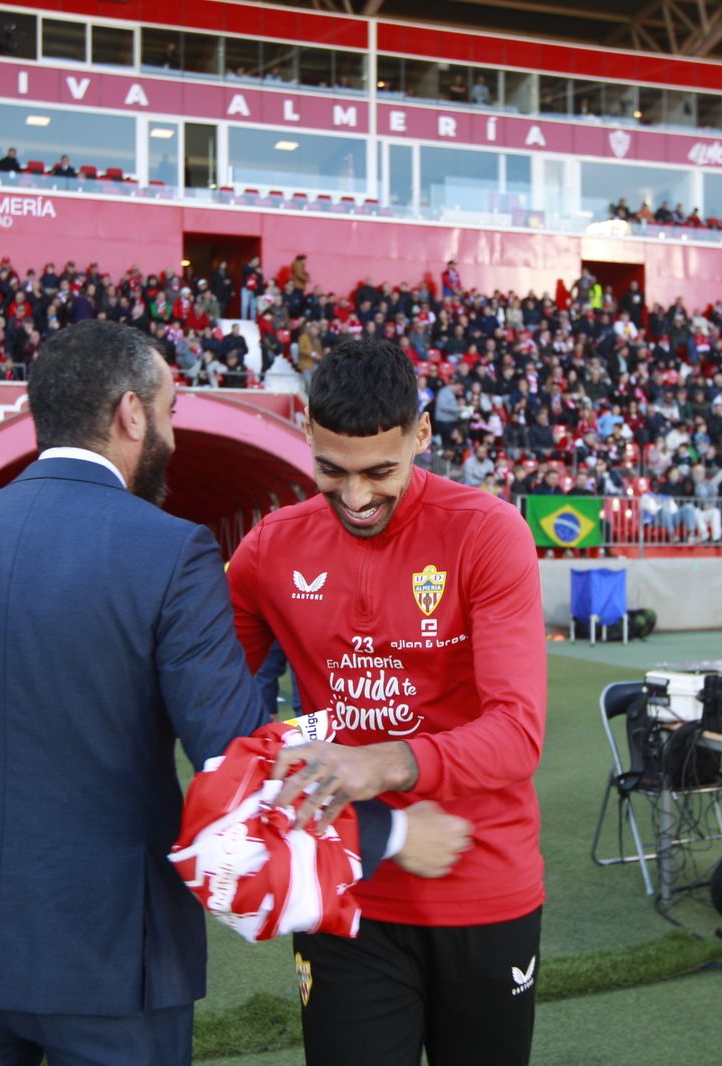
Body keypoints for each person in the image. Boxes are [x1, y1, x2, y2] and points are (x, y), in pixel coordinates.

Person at [0, 320, 469, 1065]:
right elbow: (237, 753)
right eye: (171, 411)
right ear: (131, 414)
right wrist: (392, 834)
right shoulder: (170, 550)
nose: (172, 433)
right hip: (115, 956)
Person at [229, 336, 547, 1066]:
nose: (356, 497)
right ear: (305, 429)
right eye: (331, 470)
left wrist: (383, 764)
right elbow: (218, 708)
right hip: (344, 891)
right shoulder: (268, 549)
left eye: (381, 471)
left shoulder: (486, 533)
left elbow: (518, 732)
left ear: (422, 433)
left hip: (481, 883)